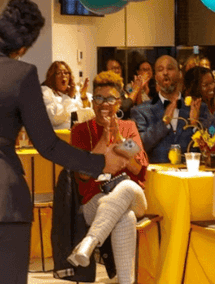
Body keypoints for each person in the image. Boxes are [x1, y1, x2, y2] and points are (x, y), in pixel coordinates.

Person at [0, 0, 129, 284]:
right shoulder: (21, 74)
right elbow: (47, 145)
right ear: (23, 48)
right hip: (0, 198)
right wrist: (101, 162)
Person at [64, 72, 149, 284]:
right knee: (125, 218)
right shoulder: (80, 131)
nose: (104, 104)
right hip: (95, 202)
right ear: (92, 103)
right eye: (99, 98)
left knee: (127, 186)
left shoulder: (129, 128)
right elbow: (83, 175)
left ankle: (89, 242)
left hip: (134, 198)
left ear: (118, 102)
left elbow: (138, 168)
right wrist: (103, 140)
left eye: (110, 99)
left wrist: (119, 141)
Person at [131, 55, 207, 163]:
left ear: (180, 74)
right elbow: (138, 147)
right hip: (156, 176)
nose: (165, 72)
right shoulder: (141, 111)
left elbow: (214, 147)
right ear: (156, 76)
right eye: (160, 70)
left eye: (170, 68)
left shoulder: (198, 107)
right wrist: (164, 123)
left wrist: (195, 125)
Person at [41, 61, 94, 130]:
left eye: (66, 73)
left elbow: (90, 115)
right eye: (59, 73)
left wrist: (83, 96)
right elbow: (54, 118)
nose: (63, 75)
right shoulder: (45, 91)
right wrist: (68, 97)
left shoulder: (76, 90)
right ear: (52, 77)